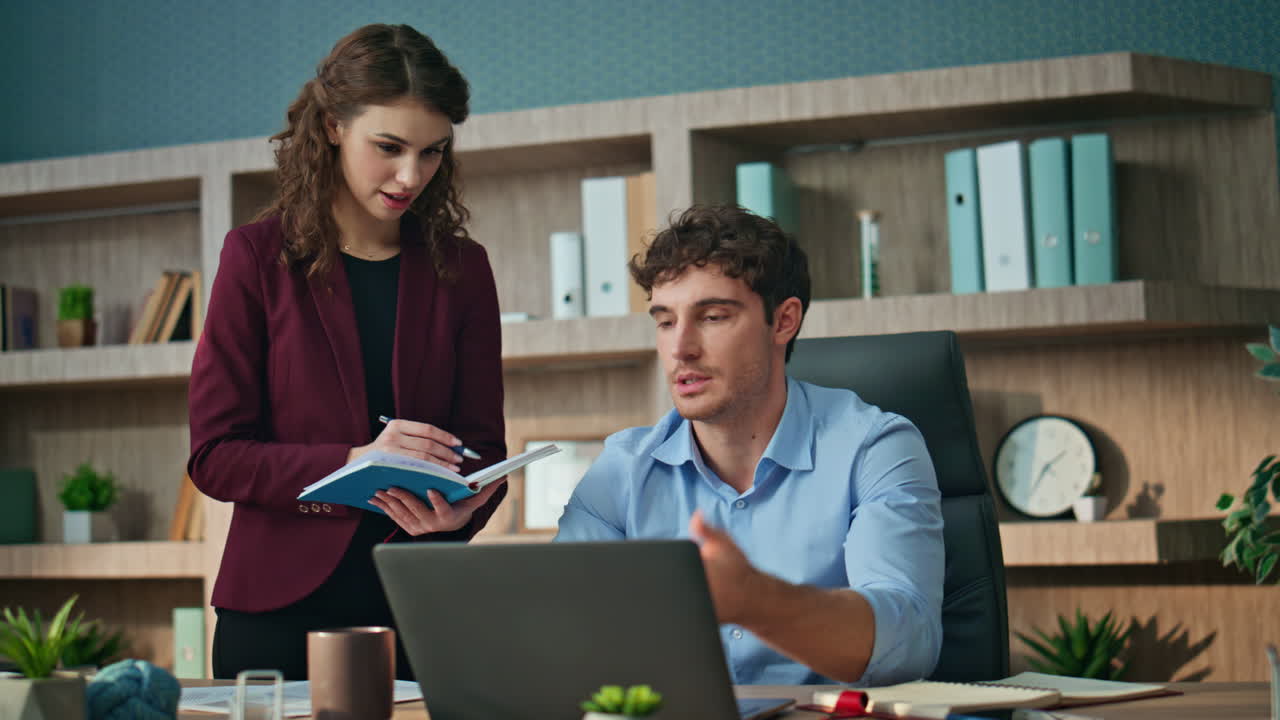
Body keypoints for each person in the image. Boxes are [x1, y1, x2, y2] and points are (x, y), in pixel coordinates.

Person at [188, 24, 507, 680]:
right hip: (275, 615)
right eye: (389, 147)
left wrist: (461, 510)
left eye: (433, 152)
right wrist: (353, 464)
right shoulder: (254, 258)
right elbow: (215, 456)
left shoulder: (463, 269)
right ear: (333, 126)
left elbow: (483, 448)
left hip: (418, 607)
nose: (410, 175)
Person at [555, 205, 944, 686]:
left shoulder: (876, 447)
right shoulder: (621, 470)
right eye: (665, 322)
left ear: (784, 322)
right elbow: (564, 630)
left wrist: (756, 601)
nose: (681, 349)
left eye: (713, 316)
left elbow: (908, 643)